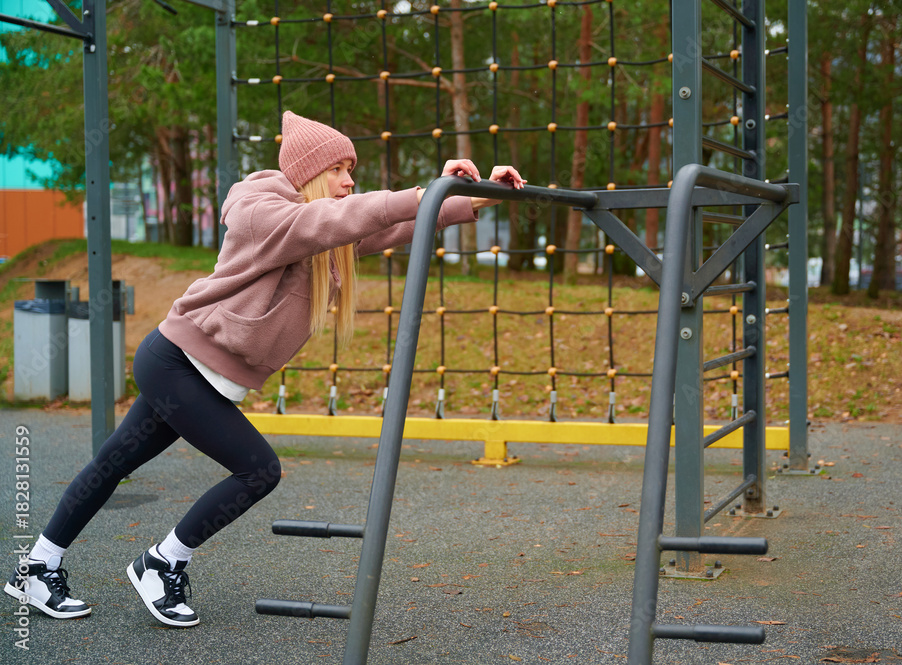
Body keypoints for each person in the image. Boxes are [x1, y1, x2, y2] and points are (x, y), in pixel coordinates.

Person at [4, 110, 525, 628]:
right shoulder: (261, 210)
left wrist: (471, 194)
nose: (349, 181)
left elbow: (388, 227)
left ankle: (37, 568)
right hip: (177, 362)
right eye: (340, 169)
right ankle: (162, 562)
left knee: (114, 461)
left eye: (352, 170)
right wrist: (422, 189)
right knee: (258, 469)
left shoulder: (325, 224)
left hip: (196, 369)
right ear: (311, 173)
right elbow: (328, 221)